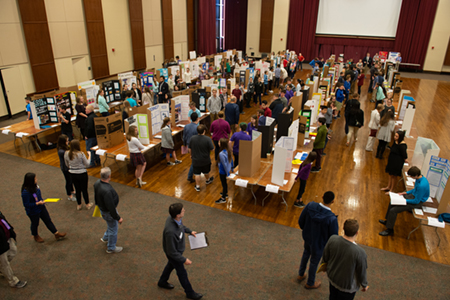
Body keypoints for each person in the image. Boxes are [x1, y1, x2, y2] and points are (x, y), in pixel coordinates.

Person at [158, 203, 203, 300]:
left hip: (176, 251)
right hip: (174, 254)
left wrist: (189, 231)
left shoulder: (174, 219)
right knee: (182, 273)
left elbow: (181, 226)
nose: (184, 210)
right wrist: (183, 259)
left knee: (170, 265)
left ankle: (162, 281)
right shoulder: (171, 232)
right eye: (182, 210)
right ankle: (190, 293)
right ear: (178, 215)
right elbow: (171, 252)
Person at [297, 191, 338, 289]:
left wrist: (306, 231)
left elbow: (300, 221)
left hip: (308, 238)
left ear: (322, 196)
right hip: (320, 244)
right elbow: (333, 237)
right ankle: (310, 283)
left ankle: (301, 274)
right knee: (314, 262)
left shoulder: (310, 205)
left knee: (306, 254)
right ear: (333, 201)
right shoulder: (331, 218)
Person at [322, 219, 369, 299]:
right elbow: (361, 271)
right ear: (357, 232)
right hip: (347, 287)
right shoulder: (360, 252)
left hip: (333, 279)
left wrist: (323, 266)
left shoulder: (332, 239)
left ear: (343, 228)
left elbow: (325, 256)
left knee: (332, 296)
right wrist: (364, 284)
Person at [379, 166, 430, 236]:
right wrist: (405, 193)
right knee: (392, 202)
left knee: (393, 210)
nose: (411, 177)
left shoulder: (422, 185)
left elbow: (416, 201)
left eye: (412, 176)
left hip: (417, 202)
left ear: (416, 175)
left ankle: (390, 230)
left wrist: (403, 200)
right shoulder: (420, 178)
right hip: (413, 196)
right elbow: (415, 190)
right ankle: (388, 221)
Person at [21, 173, 66, 243]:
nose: (37, 179)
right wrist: (37, 203)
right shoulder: (25, 192)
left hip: (41, 207)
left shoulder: (36, 187)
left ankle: (56, 233)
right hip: (33, 211)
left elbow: (38, 196)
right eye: (35, 179)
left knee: (48, 220)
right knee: (35, 224)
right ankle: (35, 235)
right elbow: (26, 204)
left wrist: (42, 201)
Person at [94, 167, 124, 253]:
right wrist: (118, 218)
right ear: (109, 176)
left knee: (110, 226)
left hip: (102, 210)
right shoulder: (107, 191)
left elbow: (96, 196)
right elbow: (111, 207)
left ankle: (105, 238)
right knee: (113, 229)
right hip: (108, 213)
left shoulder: (97, 183)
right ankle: (111, 247)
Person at [0, 211, 27, 288]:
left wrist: (11, 231)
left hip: (6, 238)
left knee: (13, 251)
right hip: (0, 246)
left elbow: (4, 221)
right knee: (5, 263)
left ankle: (1, 268)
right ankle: (13, 281)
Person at [64, 139, 93, 211]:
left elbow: (67, 164)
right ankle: (87, 204)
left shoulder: (67, 153)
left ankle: (79, 205)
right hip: (82, 173)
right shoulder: (81, 154)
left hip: (72, 174)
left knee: (77, 189)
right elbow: (87, 164)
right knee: (84, 189)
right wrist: (89, 155)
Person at [189, 124, 214, 192]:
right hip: (205, 160)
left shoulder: (192, 138)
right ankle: (208, 180)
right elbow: (212, 149)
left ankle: (197, 186)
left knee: (197, 174)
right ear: (204, 131)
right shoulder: (208, 139)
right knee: (206, 171)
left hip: (196, 160)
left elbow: (190, 148)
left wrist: (191, 155)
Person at [57, 134, 76, 201]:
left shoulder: (64, 148)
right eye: (67, 141)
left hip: (68, 166)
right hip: (65, 168)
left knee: (71, 180)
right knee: (68, 181)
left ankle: (72, 191)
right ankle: (69, 195)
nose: (68, 142)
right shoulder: (62, 151)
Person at [216, 138, 233, 204]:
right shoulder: (228, 151)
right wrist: (232, 168)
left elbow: (224, 164)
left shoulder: (221, 154)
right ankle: (225, 192)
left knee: (224, 184)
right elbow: (231, 160)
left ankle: (223, 198)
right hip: (227, 170)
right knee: (224, 184)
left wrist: (227, 173)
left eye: (219, 142)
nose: (218, 143)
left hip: (223, 171)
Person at [183, 112, 199, 183]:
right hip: (195, 146)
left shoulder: (186, 126)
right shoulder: (197, 128)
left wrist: (184, 144)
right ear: (197, 119)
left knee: (193, 160)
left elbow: (184, 136)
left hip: (188, 144)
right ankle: (190, 176)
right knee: (194, 161)